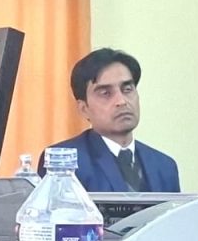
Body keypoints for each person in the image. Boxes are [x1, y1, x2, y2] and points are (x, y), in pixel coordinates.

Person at [41, 47, 179, 193]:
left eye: (127, 89)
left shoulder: (164, 166)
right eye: (106, 93)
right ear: (84, 108)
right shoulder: (64, 164)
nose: (121, 101)